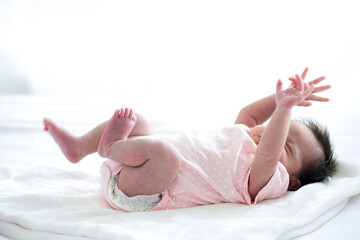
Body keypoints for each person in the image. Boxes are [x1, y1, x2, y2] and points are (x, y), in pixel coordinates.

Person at [43, 67, 338, 212]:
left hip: (141, 192)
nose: (273, 132)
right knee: (142, 122)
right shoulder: (243, 135)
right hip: (136, 164)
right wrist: (284, 100)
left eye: (286, 144)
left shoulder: (264, 178)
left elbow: (268, 156)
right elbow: (249, 113)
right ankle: (79, 148)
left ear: (292, 181)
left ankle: (111, 146)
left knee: (166, 154)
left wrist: (285, 109)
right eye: (277, 126)